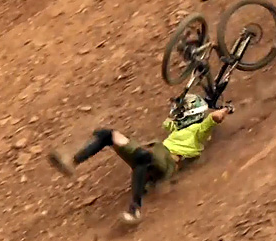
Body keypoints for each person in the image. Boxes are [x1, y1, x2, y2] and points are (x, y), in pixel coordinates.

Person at [47, 94, 231, 225]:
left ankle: (135, 210)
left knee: (143, 159)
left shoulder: (199, 130)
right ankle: (72, 162)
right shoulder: (177, 129)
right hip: (154, 153)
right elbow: (170, 118)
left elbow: (214, 118)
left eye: (184, 110)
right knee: (107, 135)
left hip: (168, 163)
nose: (179, 113)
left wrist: (224, 109)